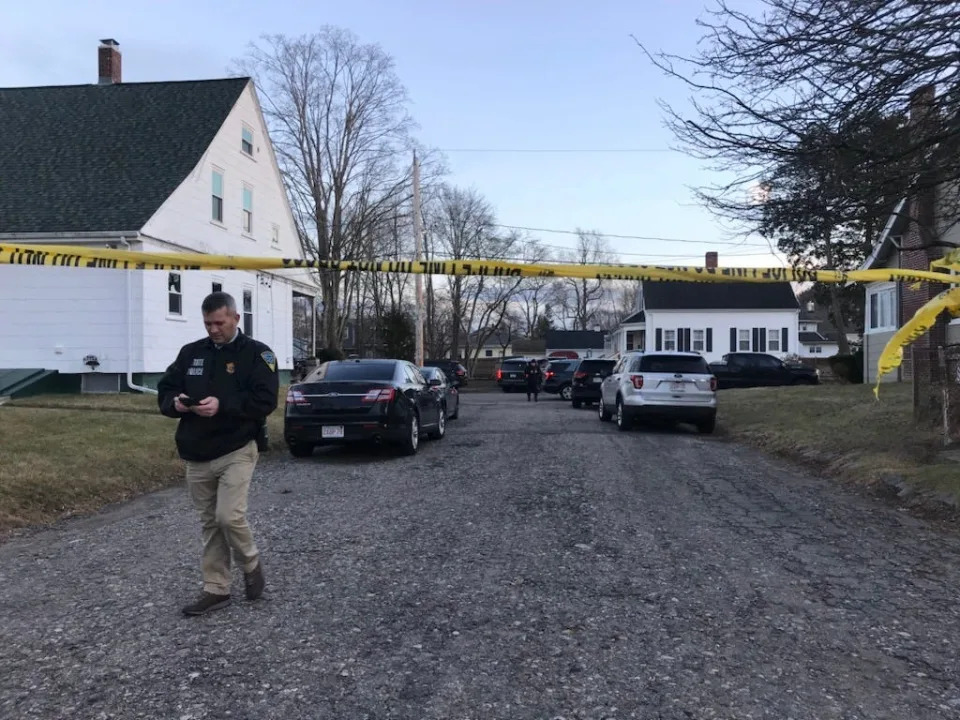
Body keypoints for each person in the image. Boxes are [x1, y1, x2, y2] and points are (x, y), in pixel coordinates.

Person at [157, 291, 280, 616]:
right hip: (196, 451)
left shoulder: (258, 354)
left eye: (219, 323)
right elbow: (165, 389)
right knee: (210, 523)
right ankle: (217, 588)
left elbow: (266, 401)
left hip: (237, 447)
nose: (213, 330)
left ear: (236, 319)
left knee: (229, 516)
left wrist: (223, 406)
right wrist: (176, 404)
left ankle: (251, 563)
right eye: (208, 323)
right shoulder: (191, 353)